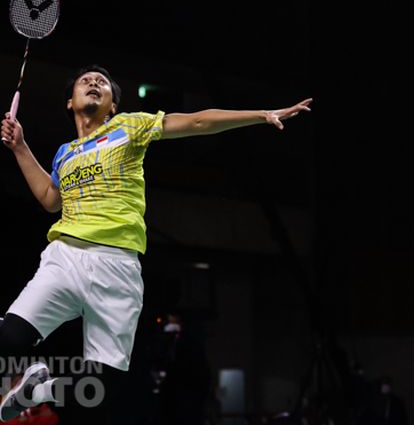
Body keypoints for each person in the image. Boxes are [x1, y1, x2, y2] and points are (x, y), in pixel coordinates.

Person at [0, 64, 313, 422]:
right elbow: (49, 198)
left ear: (113, 106)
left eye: (102, 82)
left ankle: (37, 390)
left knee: (100, 390)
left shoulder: (129, 127)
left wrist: (261, 115)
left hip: (118, 269)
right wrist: (20, 147)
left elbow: (196, 121)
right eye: (85, 80)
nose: (93, 82)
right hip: (66, 257)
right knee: (9, 339)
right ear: (70, 103)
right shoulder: (64, 153)